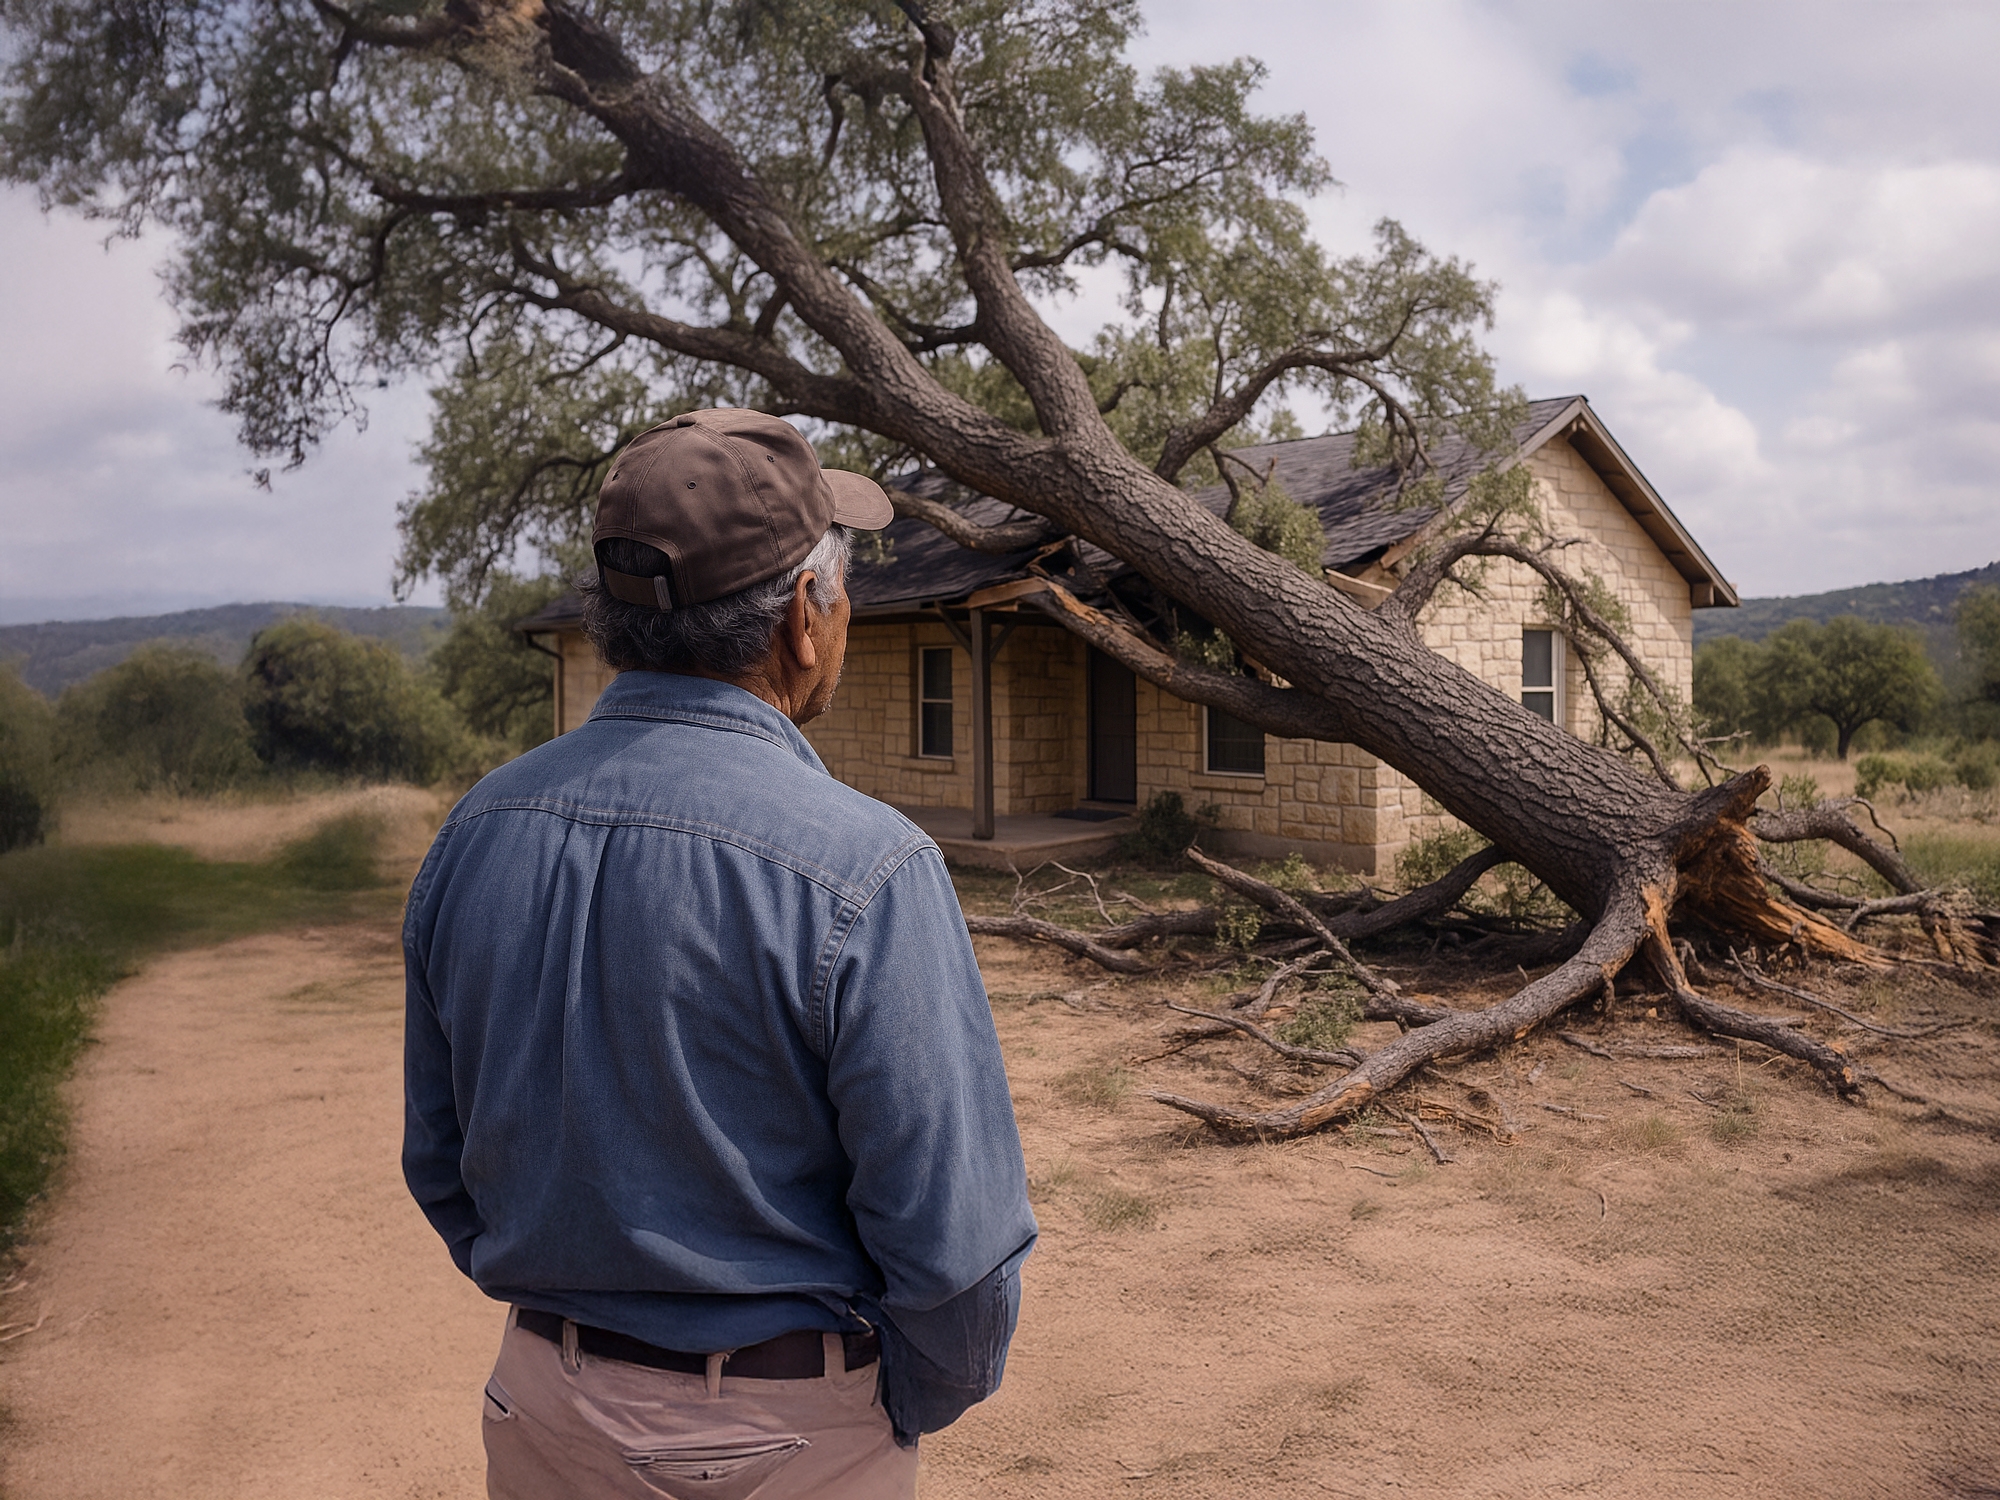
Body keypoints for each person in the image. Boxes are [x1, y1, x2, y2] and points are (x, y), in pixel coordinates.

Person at [402, 408, 1037, 1500]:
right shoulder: (865, 863)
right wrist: (889, 1403)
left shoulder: (475, 831)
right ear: (805, 615)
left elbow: (443, 1160)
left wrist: (577, 1317)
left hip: (540, 1412)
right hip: (783, 1439)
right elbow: (954, 1247)